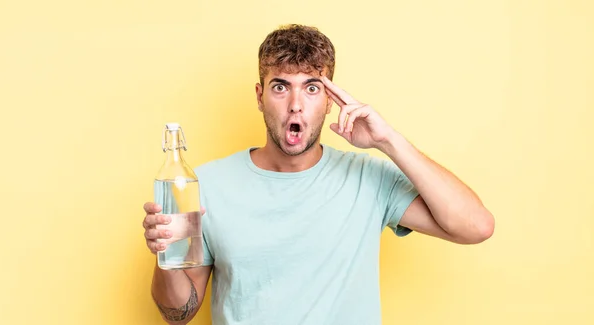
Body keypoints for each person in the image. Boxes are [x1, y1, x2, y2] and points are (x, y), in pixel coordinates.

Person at [141, 24, 494, 325]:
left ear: (329, 101)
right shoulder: (206, 186)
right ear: (260, 96)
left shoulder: (367, 178)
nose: (296, 104)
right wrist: (166, 256)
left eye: (312, 88)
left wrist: (389, 141)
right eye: (281, 87)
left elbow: (476, 226)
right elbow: (180, 314)